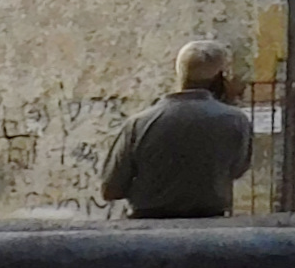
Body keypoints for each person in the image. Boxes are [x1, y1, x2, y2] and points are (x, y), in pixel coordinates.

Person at [100, 41, 253, 219]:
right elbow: (237, 169)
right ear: (219, 77)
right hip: (209, 225)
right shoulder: (235, 121)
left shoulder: (138, 124)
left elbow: (110, 189)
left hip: (147, 226)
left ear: (179, 73)